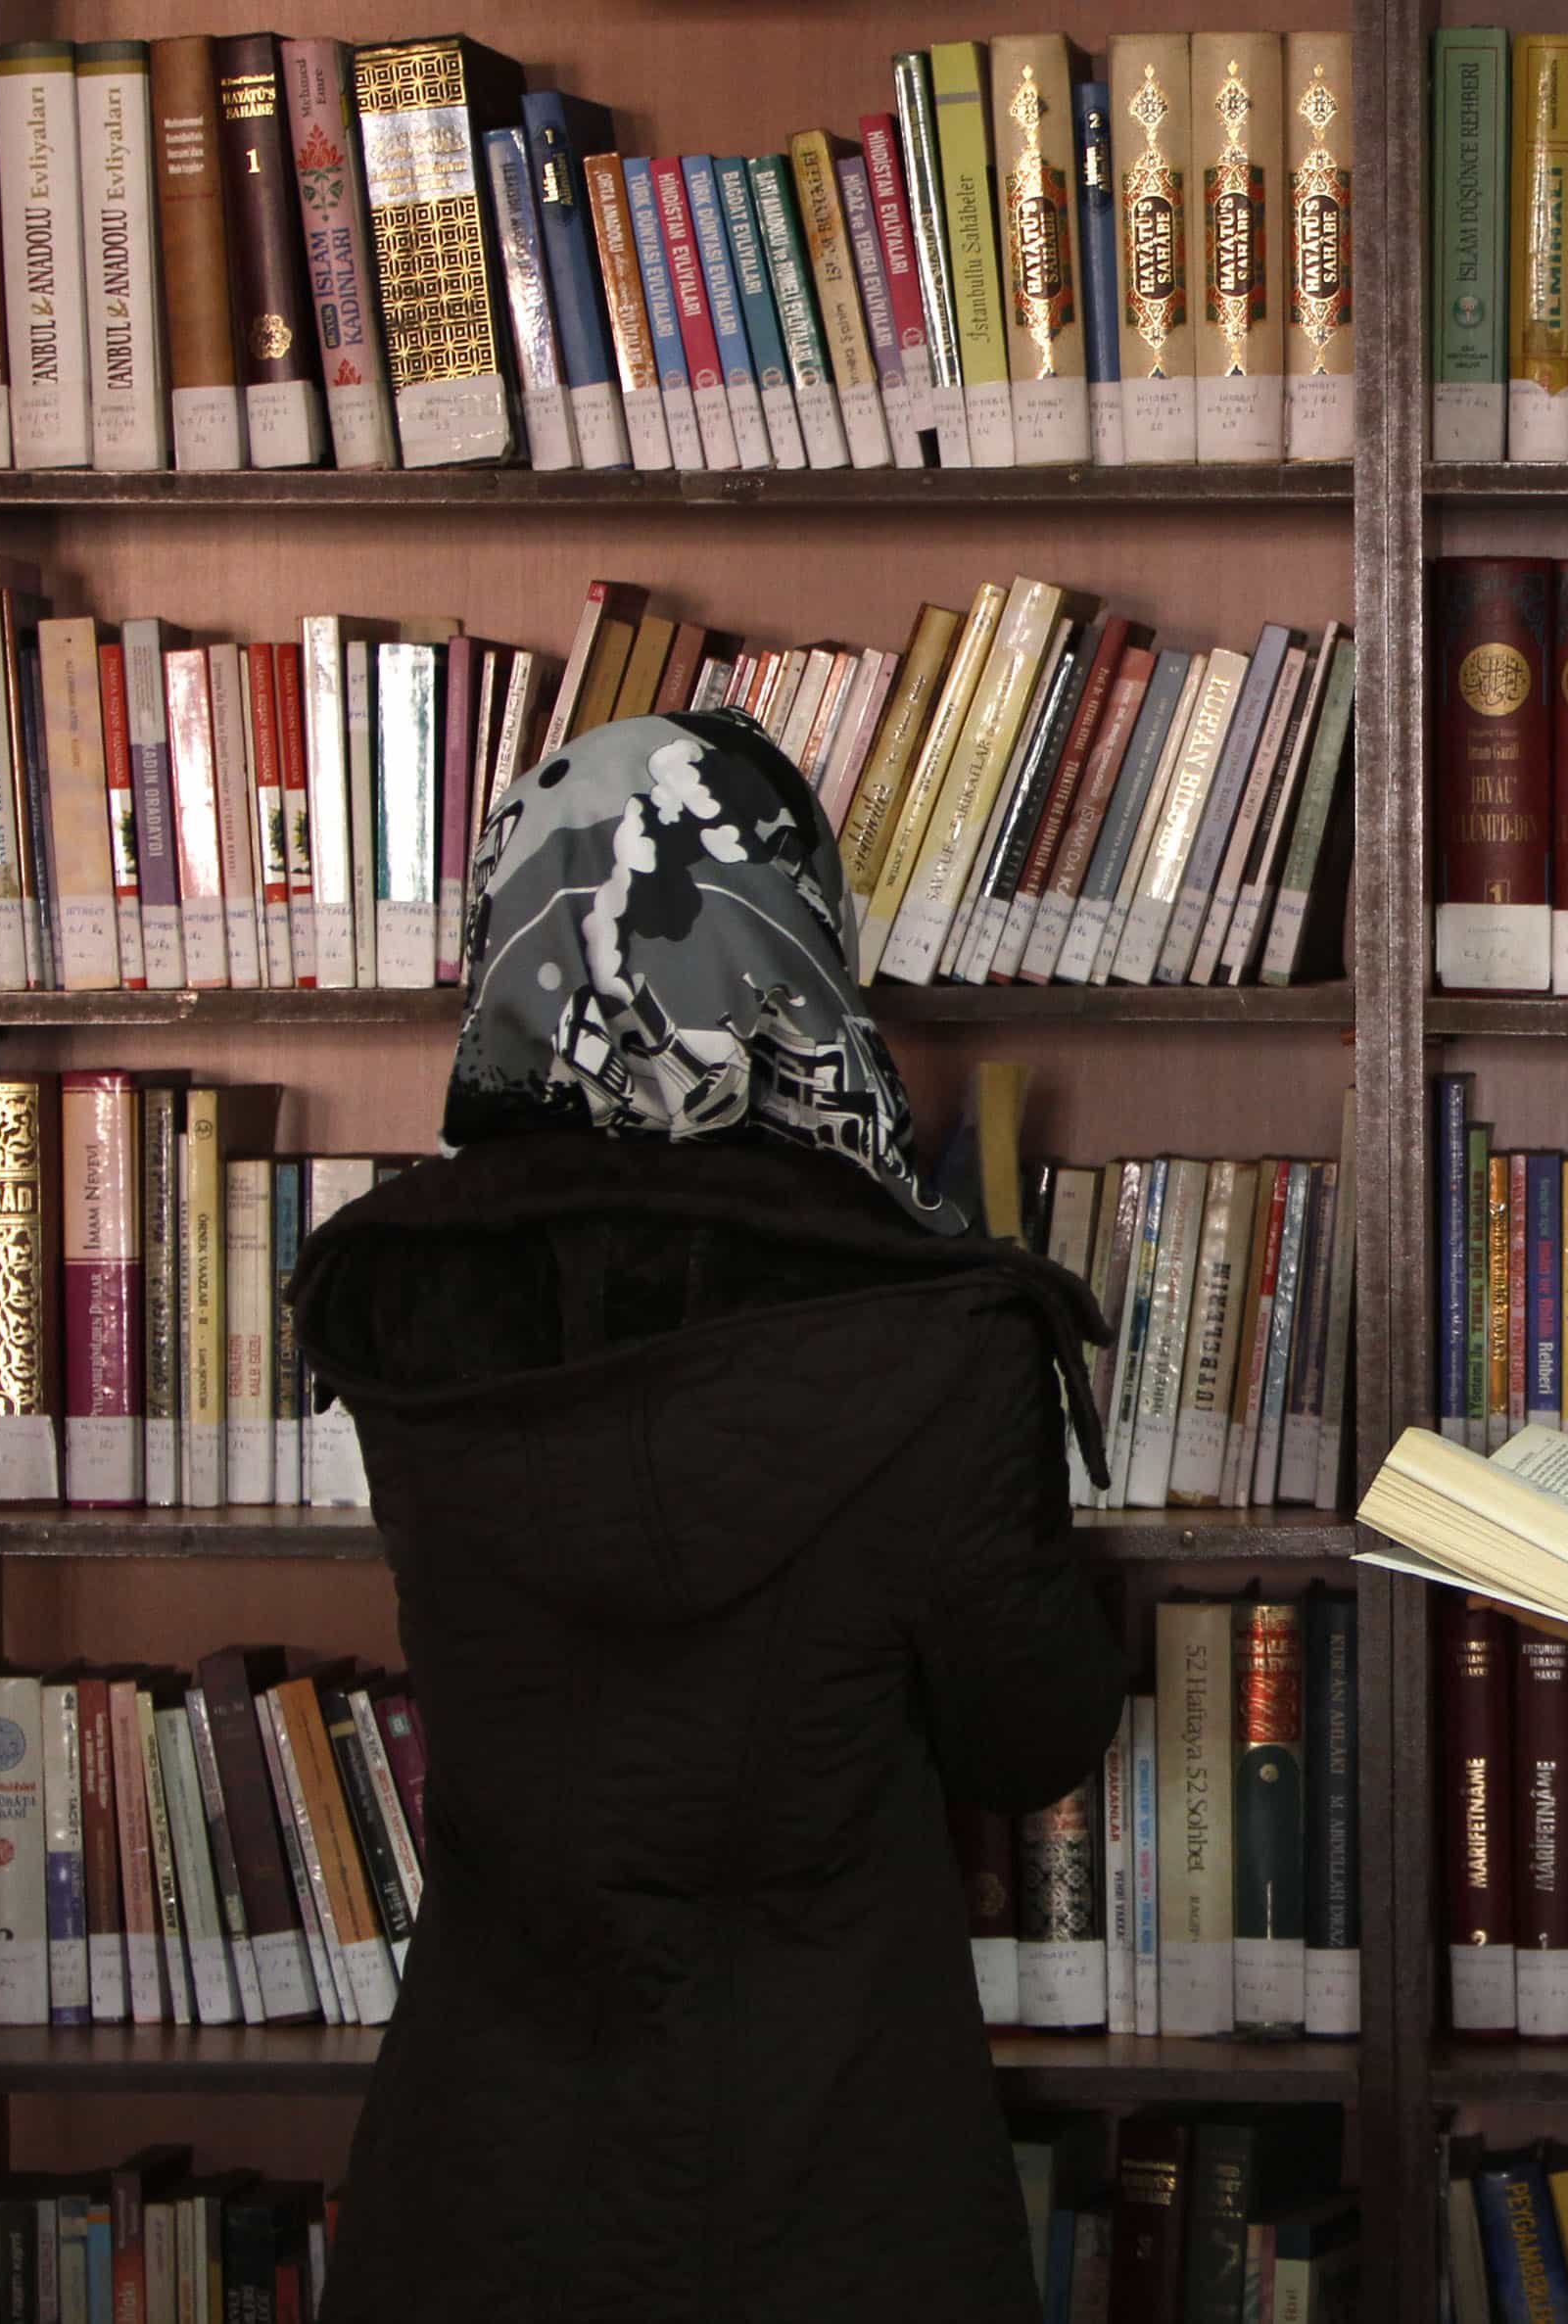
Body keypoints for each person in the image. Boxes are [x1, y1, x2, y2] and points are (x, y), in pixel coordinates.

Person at [290, 709, 1126, 2324]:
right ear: (789, 942)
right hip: (837, 2179)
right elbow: (1031, 1734)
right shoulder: (937, 1331)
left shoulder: (397, 1289)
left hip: (482, 2183)